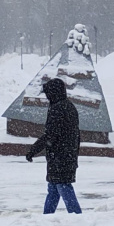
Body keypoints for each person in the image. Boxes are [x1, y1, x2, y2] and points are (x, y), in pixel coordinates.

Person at [25, 78, 82, 214]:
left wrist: (33, 150)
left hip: (60, 157)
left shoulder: (58, 109)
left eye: (48, 93)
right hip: (66, 155)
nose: (46, 97)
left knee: (62, 186)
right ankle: (47, 217)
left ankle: (77, 216)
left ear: (53, 93)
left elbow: (50, 135)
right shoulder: (69, 106)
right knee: (54, 188)